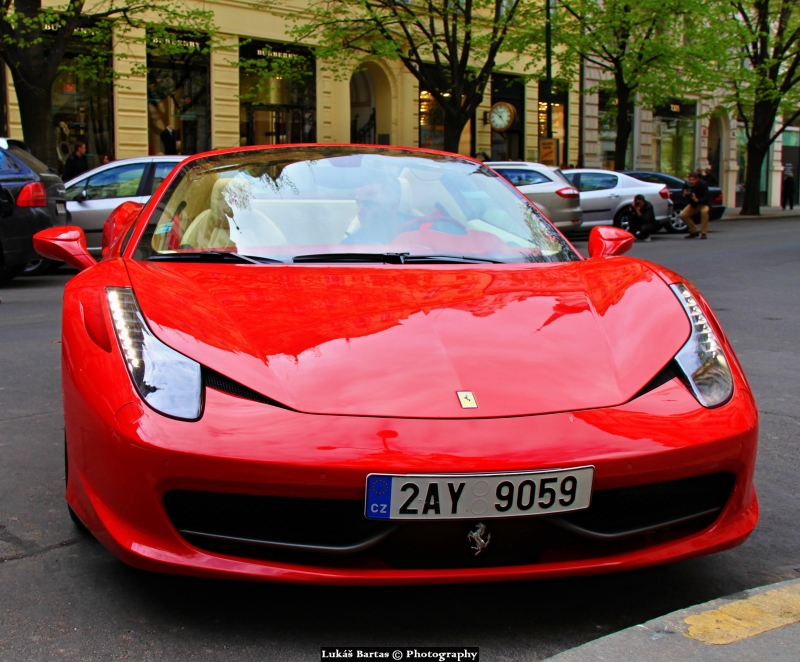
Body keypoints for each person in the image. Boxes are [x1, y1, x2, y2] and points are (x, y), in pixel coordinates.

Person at [341, 180, 405, 244]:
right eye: (358, 203)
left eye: (368, 204)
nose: (359, 212)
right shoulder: (349, 246)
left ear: (392, 207)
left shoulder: (414, 229)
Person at [681, 172, 711, 239]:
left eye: (693, 180)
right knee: (683, 215)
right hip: (694, 204)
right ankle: (694, 231)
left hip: (704, 203)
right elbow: (683, 192)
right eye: (690, 179)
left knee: (704, 212)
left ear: (697, 179)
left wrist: (697, 200)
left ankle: (704, 232)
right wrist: (684, 194)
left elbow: (706, 197)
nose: (691, 181)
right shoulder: (687, 184)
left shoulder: (703, 184)